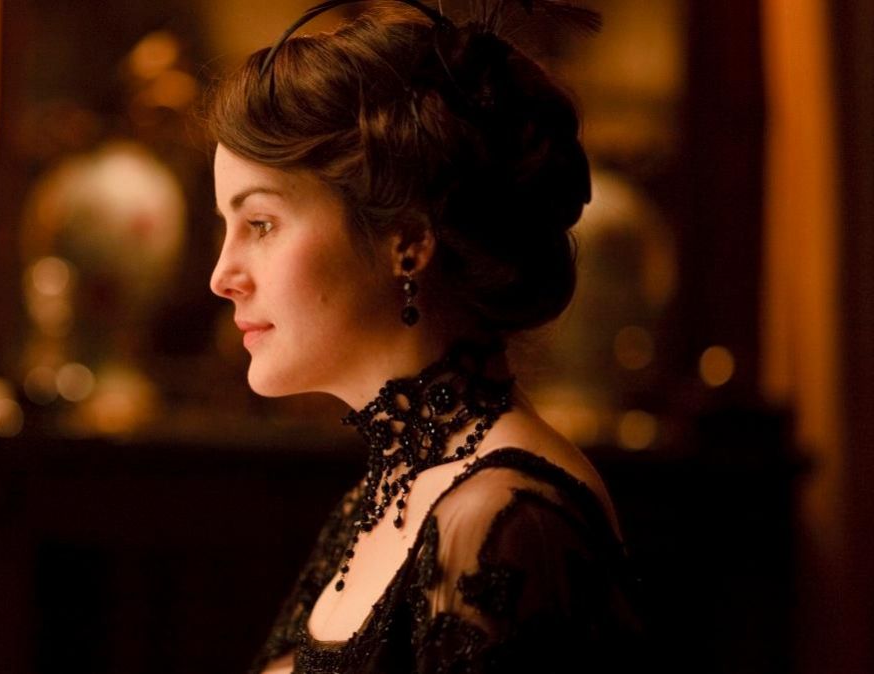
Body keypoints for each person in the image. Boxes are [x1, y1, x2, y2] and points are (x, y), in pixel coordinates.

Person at [206, 2, 645, 672]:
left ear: (407, 242)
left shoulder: (504, 519)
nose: (222, 276)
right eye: (225, 227)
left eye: (260, 224)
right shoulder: (380, 497)